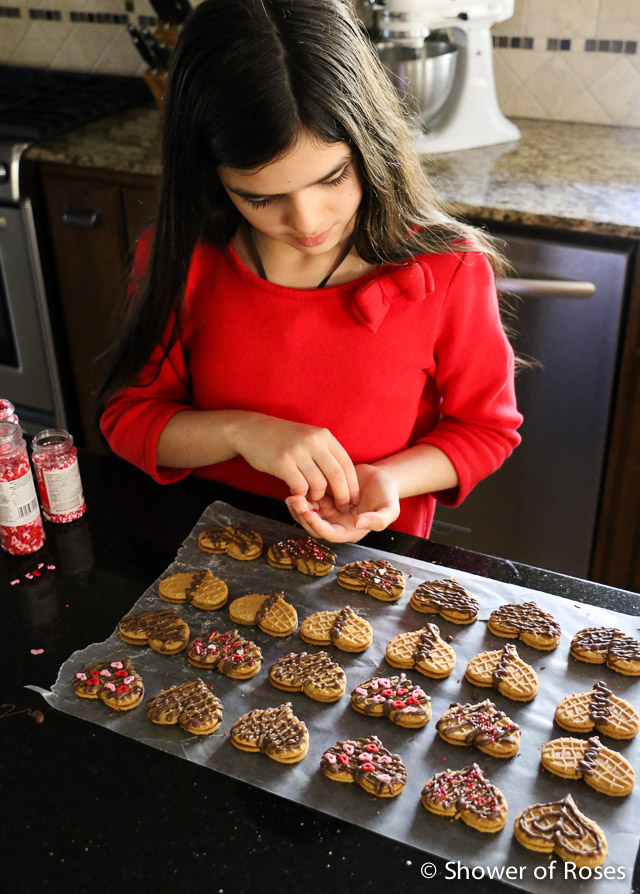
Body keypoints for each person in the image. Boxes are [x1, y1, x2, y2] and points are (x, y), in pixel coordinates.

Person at [98, 0, 522, 544]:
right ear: (210, 175)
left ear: (371, 141)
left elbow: (486, 428)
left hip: (368, 571)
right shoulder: (183, 256)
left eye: (332, 178)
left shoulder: (449, 268)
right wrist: (242, 432)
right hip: (207, 564)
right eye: (262, 198)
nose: (307, 221)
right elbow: (129, 418)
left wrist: (390, 479)